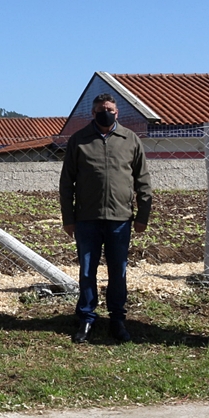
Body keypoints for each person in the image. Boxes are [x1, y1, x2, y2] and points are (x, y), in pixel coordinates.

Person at [59, 93, 151, 344]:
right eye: (100, 109)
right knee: (87, 271)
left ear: (117, 112)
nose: (105, 112)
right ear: (93, 113)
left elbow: (143, 180)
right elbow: (66, 183)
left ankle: (117, 319)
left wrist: (143, 215)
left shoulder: (130, 140)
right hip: (86, 218)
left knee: (117, 271)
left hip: (120, 218)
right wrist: (68, 218)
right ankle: (87, 318)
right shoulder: (79, 140)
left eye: (109, 109)